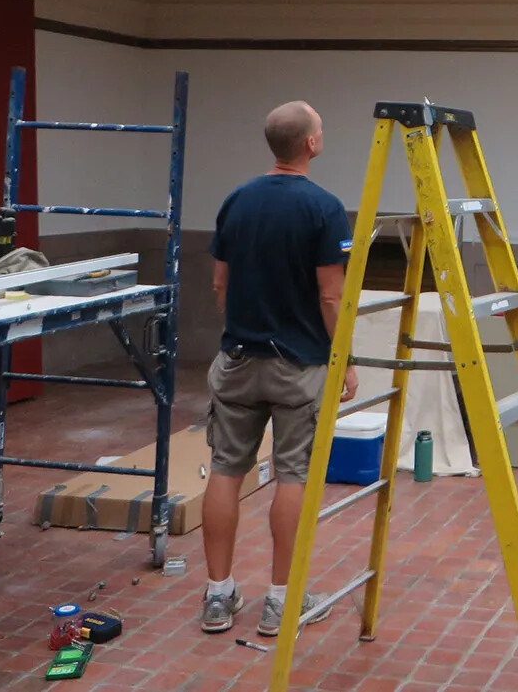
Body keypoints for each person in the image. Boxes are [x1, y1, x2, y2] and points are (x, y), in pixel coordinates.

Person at [199, 100, 357, 636]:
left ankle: (218, 596)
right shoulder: (325, 208)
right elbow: (330, 297)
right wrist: (346, 362)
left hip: (238, 359)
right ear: (310, 144)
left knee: (225, 470)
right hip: (299, 365)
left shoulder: (236, 201)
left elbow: (219, 284)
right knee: (294, 476)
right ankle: (282, 601)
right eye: (321, 129)